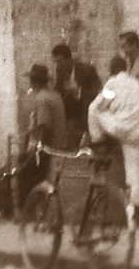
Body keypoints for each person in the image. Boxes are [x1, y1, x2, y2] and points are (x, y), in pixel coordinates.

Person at [88, 56, 139, 220]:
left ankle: (98, 143)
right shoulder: (136, 83)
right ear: (126, 69)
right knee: (135, 168)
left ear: (112, 70)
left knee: (93, 108)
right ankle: (136, 209)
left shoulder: (112, 83)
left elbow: (101, 106)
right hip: (137, 131)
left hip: (118, 128)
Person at [20, 63, 69, 194]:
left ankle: (26, 209)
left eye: (31, 80)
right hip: (59, 146)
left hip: (49, 148)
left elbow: (44, 127)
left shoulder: (41, 98)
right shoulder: (55, 95)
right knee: (23, 161)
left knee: (22, 174)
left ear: (34, 82)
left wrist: (39, 150)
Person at [51, 43, 102, 149]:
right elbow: (58, 90)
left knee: (87, 105)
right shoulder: (60, 71)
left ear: (69, 59)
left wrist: (78, 91)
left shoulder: (87, 69)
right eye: (56, 62)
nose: (58, 65)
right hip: (71, 106)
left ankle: (86, 140)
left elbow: (96, 90)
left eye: (60, 62)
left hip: (86, 105)